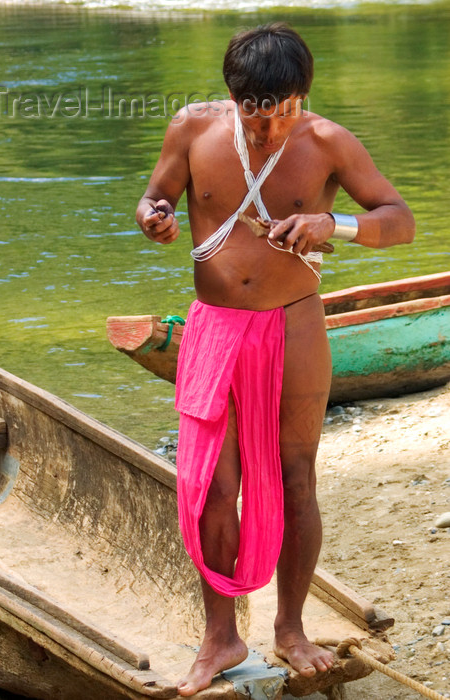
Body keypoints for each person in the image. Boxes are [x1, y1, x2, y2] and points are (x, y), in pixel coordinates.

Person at [136, 22, 415, 697]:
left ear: (301, 97)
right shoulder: (191, 128)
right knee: (212, 487)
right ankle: (220, 638)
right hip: (215, 329)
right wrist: (153, 215)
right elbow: (156, 196)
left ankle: (290, 630)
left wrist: (333, 223)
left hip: (294, 328)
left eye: (280, 113)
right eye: (252, 115)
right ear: (233, 99)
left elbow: (398, 221)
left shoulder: (326, 142)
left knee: (296, 477)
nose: (265, 132)